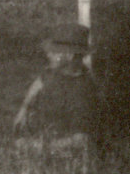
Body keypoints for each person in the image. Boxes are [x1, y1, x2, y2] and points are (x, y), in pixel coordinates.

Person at [13, 24, 97, 154]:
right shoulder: (56, 71)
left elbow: (81, 140)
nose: (48, 55)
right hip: (45, 132)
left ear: (69, 56)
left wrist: (38, 147)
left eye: (54, 52)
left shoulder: (82, 91)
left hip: (60, 150)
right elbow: (39, 82)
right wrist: (24, 109)